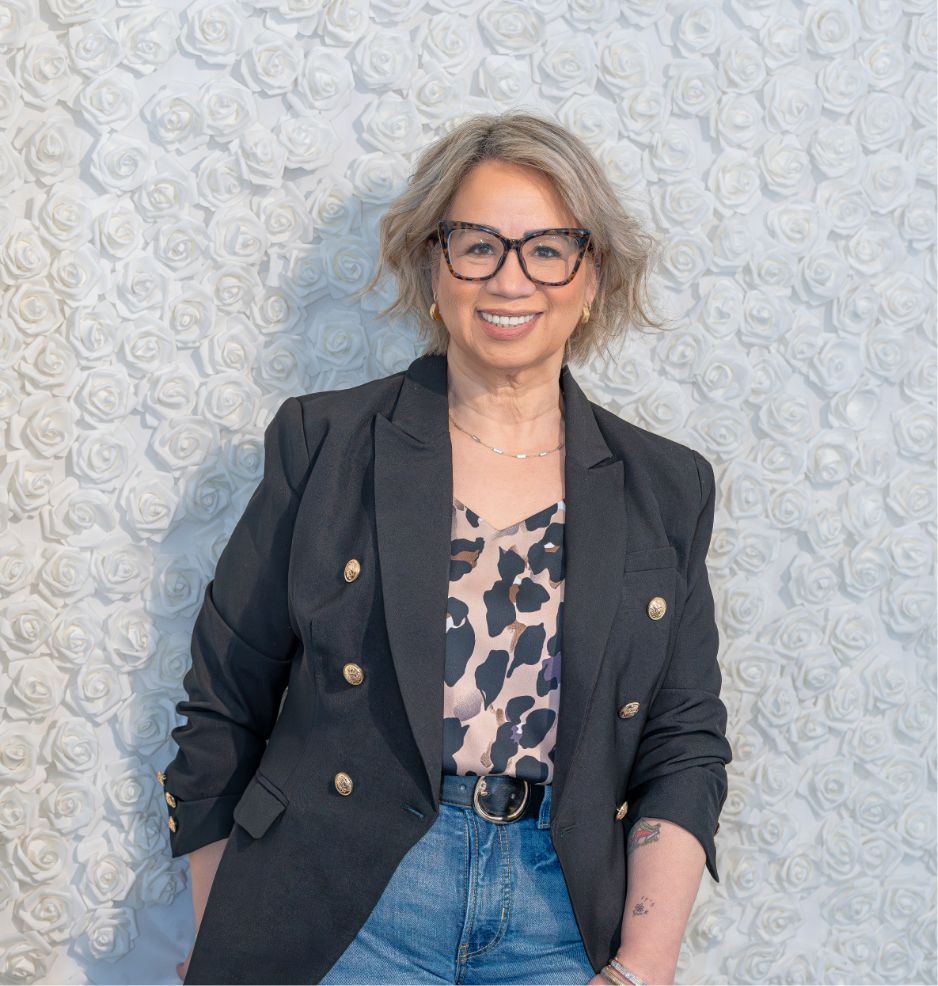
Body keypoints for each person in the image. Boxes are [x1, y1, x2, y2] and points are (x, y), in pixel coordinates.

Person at [160, 110, 733, 986]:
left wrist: (645, 962)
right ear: (433, 265)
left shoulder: (668, 486)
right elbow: (222, 700)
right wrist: (231, 923)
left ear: (592, 279)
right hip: (344, 907)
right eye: (477, 244)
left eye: (549, 248)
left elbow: (684, 742)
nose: (511, 278)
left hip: (560, 913)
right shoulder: (325, 444)